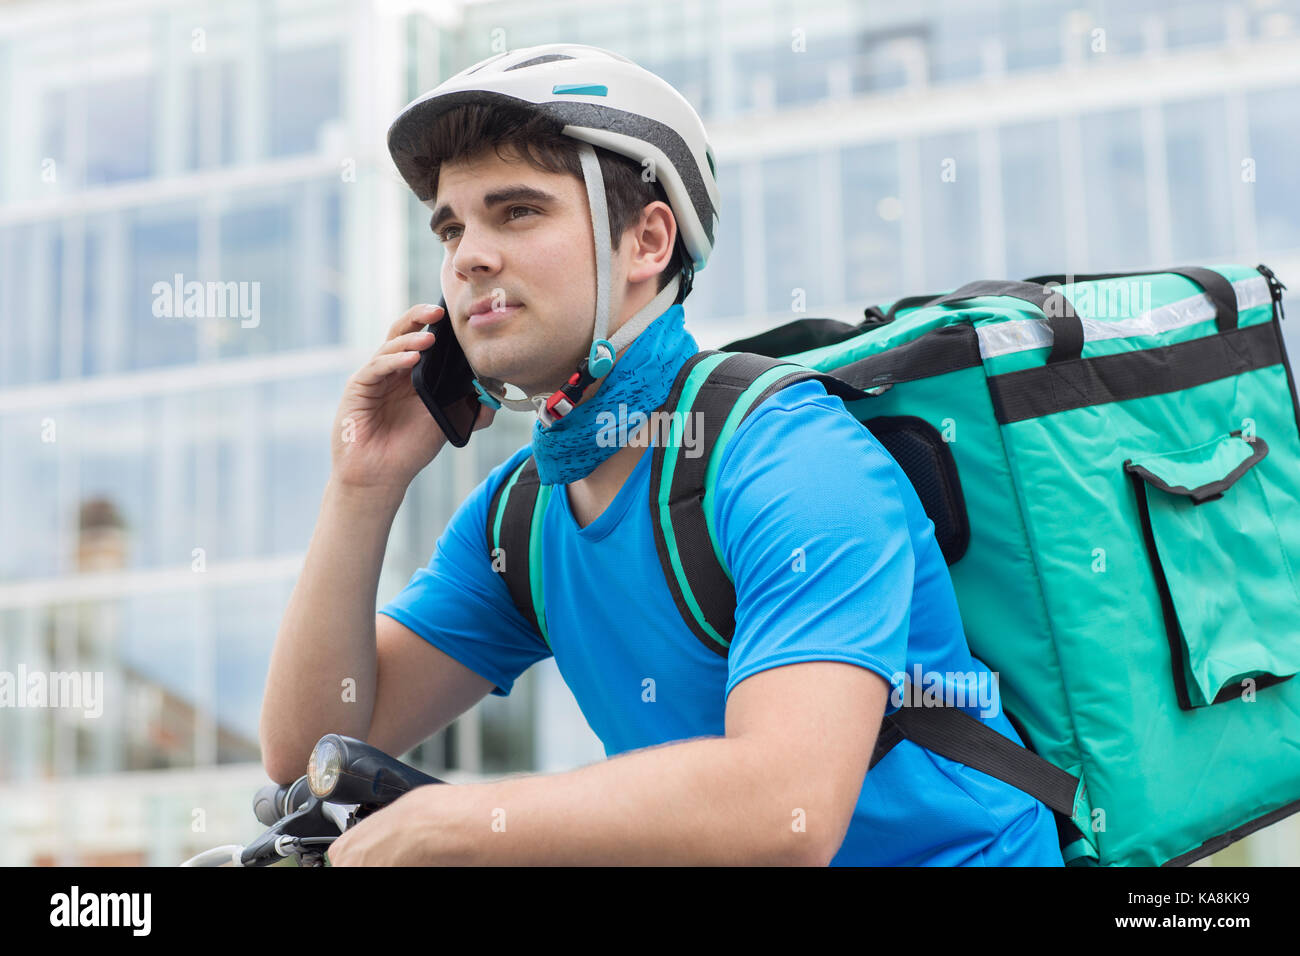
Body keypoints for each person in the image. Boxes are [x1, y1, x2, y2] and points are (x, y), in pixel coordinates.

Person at [259, 43, 1065, 866]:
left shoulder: (790, 457)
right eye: (452, 226)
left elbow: (787, 811)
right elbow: (312, 752)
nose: (468, 256)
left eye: (518, 212)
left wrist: (461, 824)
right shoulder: (521, 517)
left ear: (647, 243)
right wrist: (363, 484)